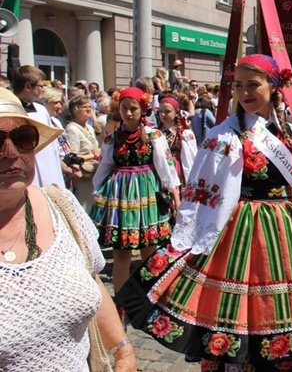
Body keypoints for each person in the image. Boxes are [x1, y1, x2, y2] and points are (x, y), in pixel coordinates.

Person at [117, 54, 292, 372]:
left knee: (281, 307)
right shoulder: (222, 136)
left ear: (274, 88)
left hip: (287, 230)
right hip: (241, 230)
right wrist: (187, 238)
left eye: (253, 84)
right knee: (240, 306)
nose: (245, 92)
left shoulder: (287, 131)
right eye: (238, 85)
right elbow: (200, 191)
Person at [0, 88, 136, 371]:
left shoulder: (61, 205)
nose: (11, 153)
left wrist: (123, 352)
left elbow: (92, 282)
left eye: (23, 139)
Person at [90, 87, 181, 297]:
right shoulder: (112, 139)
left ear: (143, 110)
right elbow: (104, 166)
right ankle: (122, 301)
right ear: (118, 109)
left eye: (134, 108)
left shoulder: (154, 136)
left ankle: (150, 296)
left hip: (146, 195)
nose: (129, 113)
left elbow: (165, 166)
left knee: (149, 251)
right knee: (121, 254)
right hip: (120, 197)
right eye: (124, 108)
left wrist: (175, 195)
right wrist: (98, 194)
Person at [12, 65, 65, 188]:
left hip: (49, 165)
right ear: (28, 87)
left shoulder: (41, 110)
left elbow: (51, 144)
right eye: (40, 86)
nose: (43, 89)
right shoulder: (11, 109)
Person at [66, 95, 101, 212]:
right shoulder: (72, 129)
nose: (89, 109)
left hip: (94, 172)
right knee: (85, 205)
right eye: (84, 107)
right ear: (75, 109)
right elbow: (72, 156)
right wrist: (93, 155)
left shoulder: (90, 128)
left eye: (90, 106)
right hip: (83, 174)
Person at [157, 94, 197, 188]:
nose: (163, 114)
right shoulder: (157, 132)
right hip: (162, 168)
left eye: (167, 111)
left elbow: (191, 157)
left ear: (176, 113)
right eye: (160, 111)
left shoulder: (184, 134)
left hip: (177, 168)